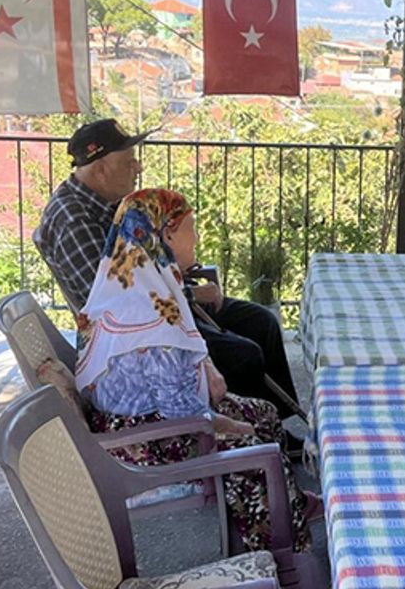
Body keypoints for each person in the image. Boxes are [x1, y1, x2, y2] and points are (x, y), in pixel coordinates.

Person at [75, 188, 317, 551]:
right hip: (144, 435)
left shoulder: (136, 284)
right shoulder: (146, 317)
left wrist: (207, 371)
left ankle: (286, 504)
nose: (197, 238)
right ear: (166, 235)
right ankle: (280, 546)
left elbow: (179, 366)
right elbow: (181, 411)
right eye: (191, 229)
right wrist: (228, 424)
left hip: (148, 414)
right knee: (251, 447)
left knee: (265, 413)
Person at [34, 118, 300, 417]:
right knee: (243, 355)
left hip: (164, 306)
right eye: (129, 162)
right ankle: (248, 428)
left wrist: (179, 275)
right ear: (100, 170)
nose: (138, 168)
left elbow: (140, 265)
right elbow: (118, 300)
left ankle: (280, 424)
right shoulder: (74, 220)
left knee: (261, 321)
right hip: (137, 337)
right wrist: (191, 294)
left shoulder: (103, 201)